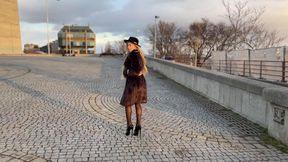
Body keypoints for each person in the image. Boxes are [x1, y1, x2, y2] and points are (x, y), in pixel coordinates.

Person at [120, 37, 148, 137]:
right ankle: (138, 125)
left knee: (128, 104)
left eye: (130, 45)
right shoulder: (137, 54)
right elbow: (140, 69)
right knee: (137, 104)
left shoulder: (134, 55)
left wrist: (127, 72)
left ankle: (129, 126)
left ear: (135, 46)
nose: (128, 46)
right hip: (140, 83)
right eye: (127, 45)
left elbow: (138, 70)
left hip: (134, 85)